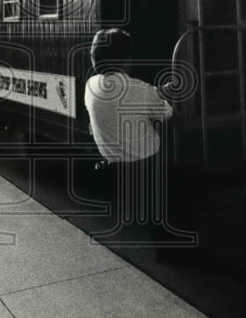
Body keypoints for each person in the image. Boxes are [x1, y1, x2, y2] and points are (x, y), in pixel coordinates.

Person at [84, 28, 196, 260]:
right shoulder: (140, 89)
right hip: (144, 165)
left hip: (112, 164)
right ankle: (172, 252)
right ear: (126, 60)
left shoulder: (91, 85)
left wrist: (155, 94)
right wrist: (159, 97)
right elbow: (177, 120)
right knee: (181, 186)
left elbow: (125, 98)